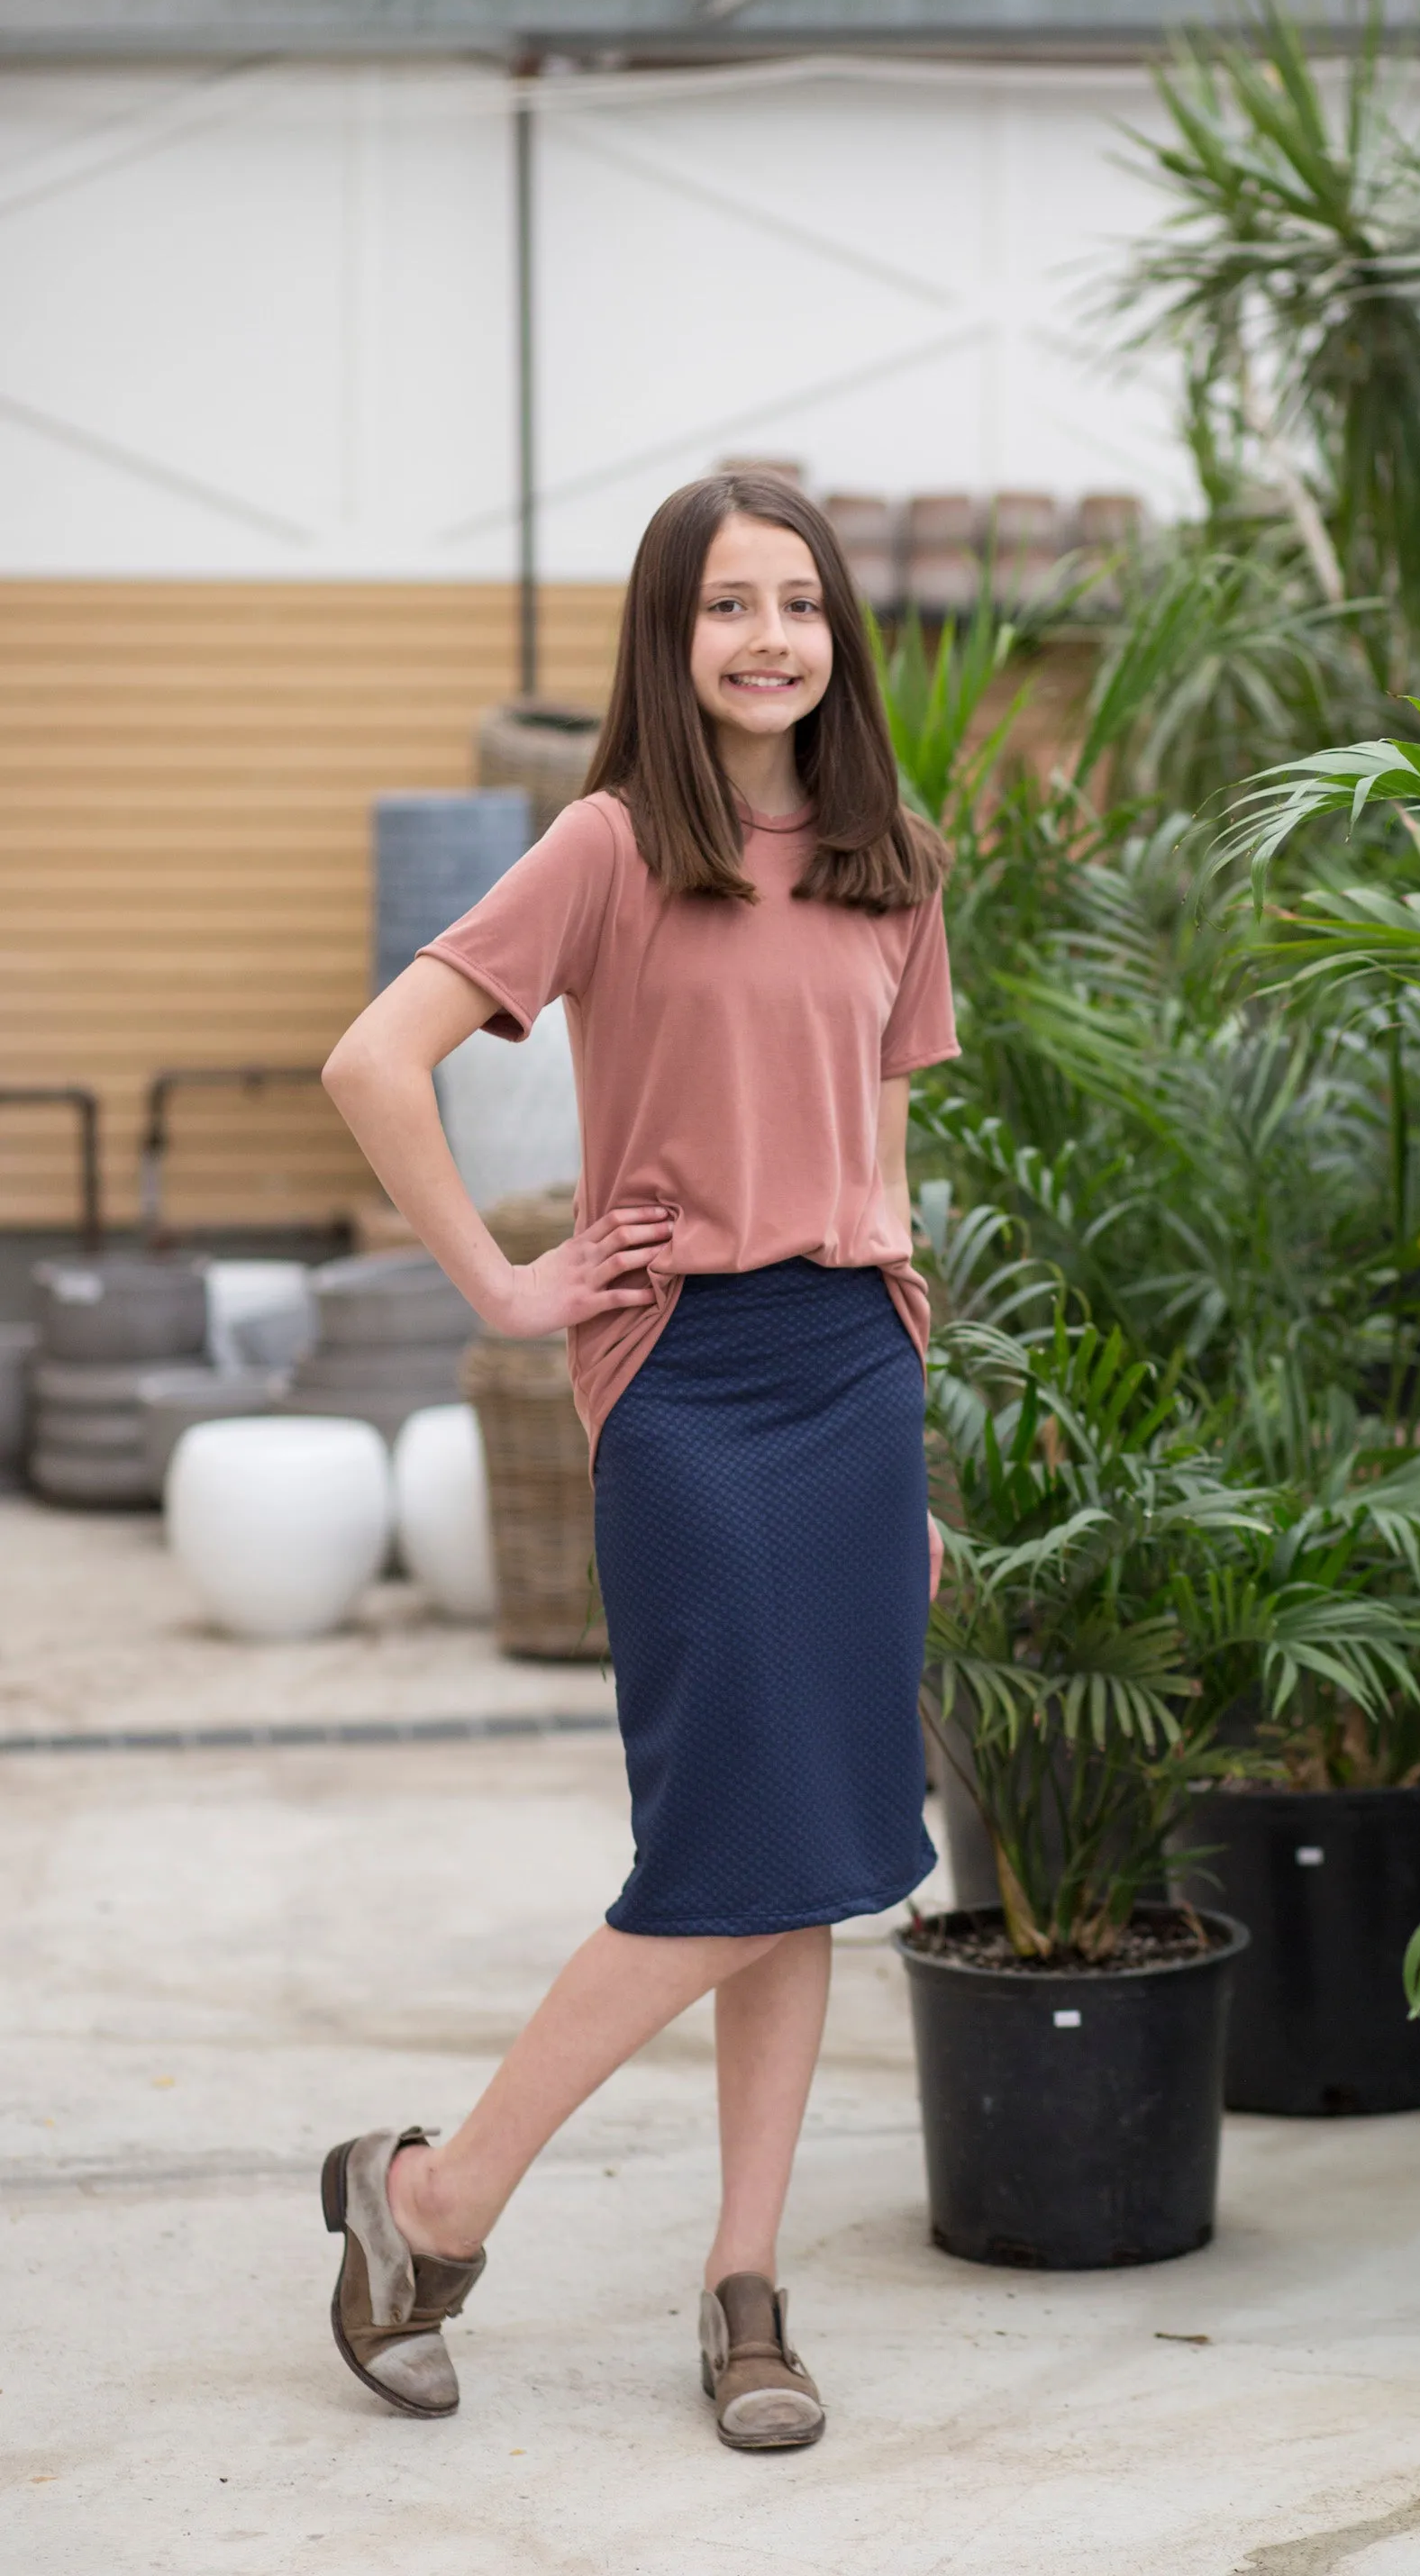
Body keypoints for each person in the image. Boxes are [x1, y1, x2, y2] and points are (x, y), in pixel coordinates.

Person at [317, 469, 957, 2450]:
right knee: (714, 1860)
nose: (769, 637)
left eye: (800, 603)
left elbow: (889, 1158)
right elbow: (372, 1060)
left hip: (854, 1368)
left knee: (820, 1863)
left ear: (836, 633)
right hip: (684, 1381)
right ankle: (428, 2201)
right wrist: (512, 1288)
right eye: (725, 606)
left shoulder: (892, 858)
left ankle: (744, 2286)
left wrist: (911, 1453)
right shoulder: (606, 847)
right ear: (668, 641)